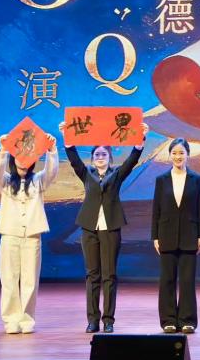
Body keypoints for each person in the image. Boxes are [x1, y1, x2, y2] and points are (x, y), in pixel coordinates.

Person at [60, 120, 148, 333]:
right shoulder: (86, 174)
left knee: (109, 275)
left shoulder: (116, 175)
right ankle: (93, 320)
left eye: (104, 154)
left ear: (110, 158)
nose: (100, 157)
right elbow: (74, 160)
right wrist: (67, 138)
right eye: (97, 154)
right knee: (92, 275)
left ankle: (108, 320)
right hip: (89, 228)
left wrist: (140, 141)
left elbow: (131, 161)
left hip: (111, 228)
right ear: (92, 158)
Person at [0, 133, 59, 334]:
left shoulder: (38, 181)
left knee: (30, 280)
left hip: (32, 236)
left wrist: (51, 150)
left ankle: (27, 319)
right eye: (18, 157)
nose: (22, 161)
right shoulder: (5, 181)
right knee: (9, 279)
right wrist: (3, 149)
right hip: (9, 234)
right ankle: (11, 319)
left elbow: (51, 172)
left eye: (26, 158)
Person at [151, 138, 200, 334]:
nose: (178, 156)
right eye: (174, 153)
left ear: (188, 155)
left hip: (190, 235)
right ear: (169, 155)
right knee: (167, 280)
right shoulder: (161, 180)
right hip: (166, 235)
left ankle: (187, 320)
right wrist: (155, 236)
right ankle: (168, 320)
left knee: (187, 280)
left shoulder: (196, 179)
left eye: (181, 153)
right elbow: (156, 209)